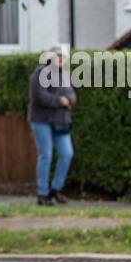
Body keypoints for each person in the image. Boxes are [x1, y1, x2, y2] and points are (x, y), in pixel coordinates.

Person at [28, 45, 77, 205]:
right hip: (41, 120)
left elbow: (71, 94)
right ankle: (42, 193)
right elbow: (38, 96)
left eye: (63, 56)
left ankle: (55, 189)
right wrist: (60, 101)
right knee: (46, 155)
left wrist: (69, 100)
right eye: (58, 56)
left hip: (61, 121)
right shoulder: (40, 72)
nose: (61, 59)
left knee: (66, 153)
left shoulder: (64, 74)